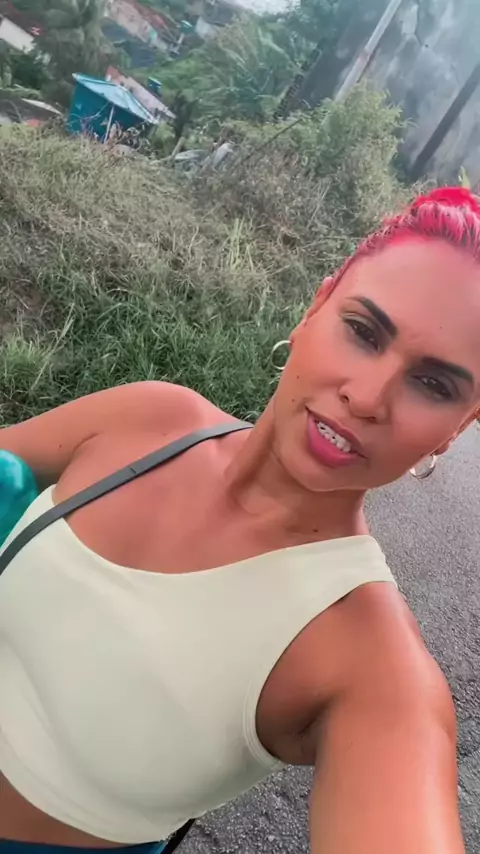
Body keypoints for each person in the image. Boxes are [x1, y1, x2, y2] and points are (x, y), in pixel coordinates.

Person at [0, 186, 477, 854]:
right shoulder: (149, 419)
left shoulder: (368, 666)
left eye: (434, 384)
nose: (368, 398)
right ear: (316, 307)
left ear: (458, 428)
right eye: (363, 331)